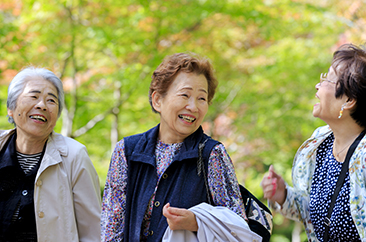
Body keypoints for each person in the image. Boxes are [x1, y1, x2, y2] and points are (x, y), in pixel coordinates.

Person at [101, 52, 248, 241]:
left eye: (201, 98)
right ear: (157, 100)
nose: (193, 107)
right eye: (185, 95)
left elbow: (239, 228)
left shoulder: (212, 155)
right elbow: (111, 228)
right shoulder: (127, 151)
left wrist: (196, 221)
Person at [261, 43, 366, 241]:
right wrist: (283, 195)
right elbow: (315, 214)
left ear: (349, 100)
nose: (318, 85)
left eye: (327, 78)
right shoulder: (320, 145)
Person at [0, 66, 101, 242]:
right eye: (33, 96)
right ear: (11, 107)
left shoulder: (74, 156)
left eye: (51, 101)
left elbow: (93, 232)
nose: (42, 105)